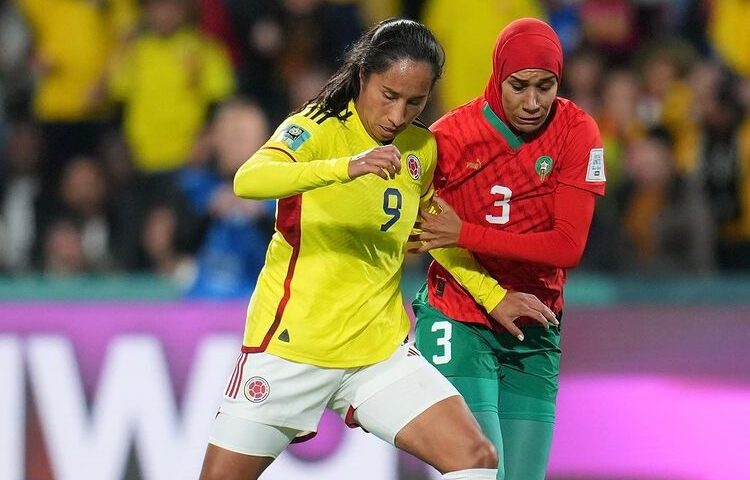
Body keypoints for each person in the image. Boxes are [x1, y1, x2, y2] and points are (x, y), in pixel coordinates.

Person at [199, 18, 556, 480]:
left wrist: (494, 296)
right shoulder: (316, 128)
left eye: (415, 101)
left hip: (377, 352)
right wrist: (348, 167)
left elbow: (434, 233)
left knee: (475, 458)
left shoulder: (419, 148)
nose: (397, 114)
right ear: (364, 75)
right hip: (292, 349)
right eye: (389, 96)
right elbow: (249, 179)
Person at [413, 18, 606, 480]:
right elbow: (422, 231)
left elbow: (567, 247)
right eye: (519, 86)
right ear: (498, 75)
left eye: (546, 86)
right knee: (479, 471)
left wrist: (466, 233)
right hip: (458, 317)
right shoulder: (449, 138)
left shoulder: (578, 133)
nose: (533, 101)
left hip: (535, 324)